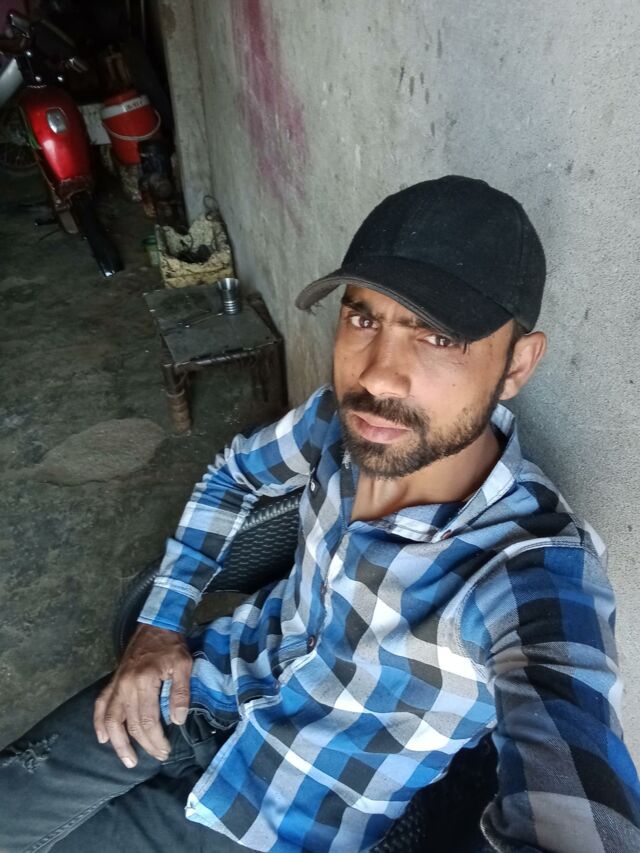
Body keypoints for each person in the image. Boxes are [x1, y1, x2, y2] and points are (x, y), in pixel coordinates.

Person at [2, 175, 639, 853]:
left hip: (279, 816)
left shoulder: (532, 575)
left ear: (517, 365)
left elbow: (579, 809)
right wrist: (162, 620)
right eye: (363, 319)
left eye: (438, 337)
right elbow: (232, 477)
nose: (377, 375)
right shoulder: (339, 421)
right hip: (205, 686)